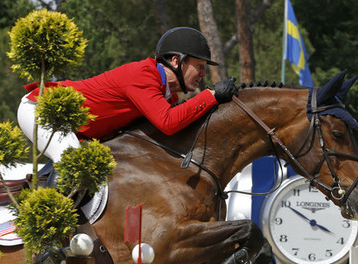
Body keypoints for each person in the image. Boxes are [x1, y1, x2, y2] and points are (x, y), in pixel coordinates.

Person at [17, 26, 238, 164]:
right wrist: (211, 95)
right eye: (199, 65)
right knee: (73, 160)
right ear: (176, 61)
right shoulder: (143, 75)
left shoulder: (167, 96)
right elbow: (169, 123)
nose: (203, 73)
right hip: (43, 109)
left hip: (76, 129)